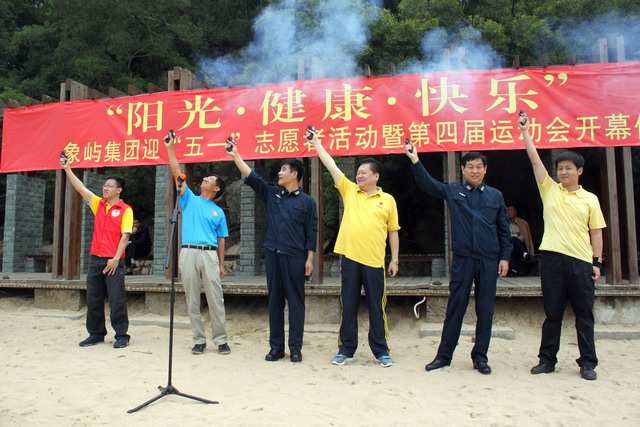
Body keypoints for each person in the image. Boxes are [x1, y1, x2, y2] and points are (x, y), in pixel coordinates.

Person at [404, 146, 512, 375]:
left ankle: (480, 357)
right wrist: (415, 160)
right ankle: (444, 356)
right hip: (463, 259)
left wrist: (505, 257)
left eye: (479, 167)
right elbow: (429, 185)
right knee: (456, 307)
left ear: (485, 170)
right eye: (470, 167)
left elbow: (504, 229)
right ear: (463, 169)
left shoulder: (495, 196)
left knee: (485, 309)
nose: (475, 170)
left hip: (488, 259)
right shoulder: (454, 190)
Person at [518, 113, 606, 381]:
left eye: (568, 168)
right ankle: (547, 360)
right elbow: (535, 160)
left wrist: (597, 262)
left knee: (584, 314)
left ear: (579, 171)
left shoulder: (590, 199)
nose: (563, 172)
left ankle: (587, 363)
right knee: (552, 314)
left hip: (581, 263)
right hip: (553, 261)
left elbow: (596, 231)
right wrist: (525, 132)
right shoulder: (550, 190)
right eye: (560, 168)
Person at [309, 130, 400, 368]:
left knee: (377, 308)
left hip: (375, 261)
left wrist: (395, 259)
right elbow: (331, 165)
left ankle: (381, 351)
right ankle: (345, 350)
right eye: (358, 172)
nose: (359, 175)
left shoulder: (388, 200)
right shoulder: (350, 191)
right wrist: (316, 143)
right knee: (348, 306)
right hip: (350, 259)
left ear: (375, 176)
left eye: (363, 172)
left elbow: (393, 231)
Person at [226, 141, 318, 363]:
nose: (279, 173)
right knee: (275, 302)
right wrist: (236, 155)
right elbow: (253, 177)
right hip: (273, 255)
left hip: (295, 257)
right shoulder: (273, 194)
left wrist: (310, 259)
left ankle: (295, 348)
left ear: (294, 174)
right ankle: (276, 348)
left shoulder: (307, 202)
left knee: (296, 303)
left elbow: (311, 232)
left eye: (283, 169)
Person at [164, 131, 231, 355]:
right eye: (205, 178)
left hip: (209, 254)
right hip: (188, 253)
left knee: (215, 298)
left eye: (210, 179)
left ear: (217, 188)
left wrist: (221, 264)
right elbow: (177, 173)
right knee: (191, 298)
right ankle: (199, 340)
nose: (205, 179)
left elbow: (221, 239)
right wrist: (170, 148)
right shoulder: (189, 199)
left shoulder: (218, 211)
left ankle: (221, 340)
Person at [59, 154, 132, 349]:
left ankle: (122, 335)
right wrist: (67, 169)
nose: (105, 188)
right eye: (104, 185)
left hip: (114, 261)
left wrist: (115, 259)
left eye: (109, 186)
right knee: (93, 298)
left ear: (118, 190)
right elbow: (81, 188)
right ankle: (96, 333)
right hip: (95, 259)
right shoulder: (98, 204)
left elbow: (125, 236)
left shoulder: (125, 209)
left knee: (116, 299)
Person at [506, 203, 535, 276]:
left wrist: (531, 251)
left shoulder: (523, 223)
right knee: (513, 241)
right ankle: (523, 254)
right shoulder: (504, 222)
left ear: (515, 212)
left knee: (514, 242)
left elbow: (528, 238)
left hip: (521, 245)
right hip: (508, 245)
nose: (508, 212)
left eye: (510, 210)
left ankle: (514, 270)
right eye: (507, 210)